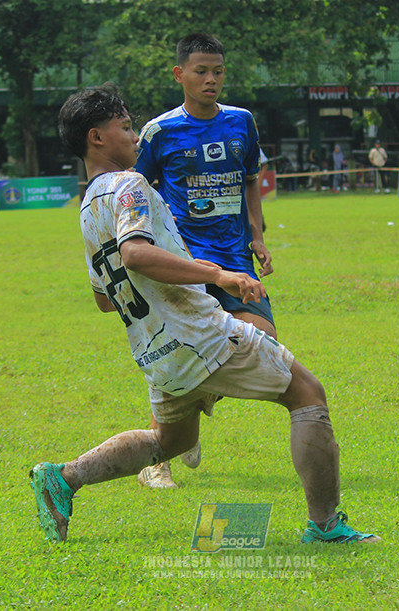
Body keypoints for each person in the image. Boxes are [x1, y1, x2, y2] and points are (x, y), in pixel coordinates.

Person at [29, 83, 379, 546]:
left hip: (156, 350)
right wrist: (219, 275)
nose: (136, 137)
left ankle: (64, 478)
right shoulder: (130, 184)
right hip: (202, 333)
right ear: (97, 138)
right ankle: (326, 526)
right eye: (126, 127)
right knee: (307, 394)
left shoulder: (88, 207)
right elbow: (135, 254)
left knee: (167, 444)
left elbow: (102, 297)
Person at [133, 33, 276, 488]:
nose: (211, 79)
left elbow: (252, 178)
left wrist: (256, 235)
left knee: (264, 339)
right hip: (182, 261)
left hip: (234, 255)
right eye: (201, 71)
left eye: (218, 71)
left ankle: (188, 416)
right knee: (177, 353)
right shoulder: (159, 132)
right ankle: (158, 460)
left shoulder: (242, 122)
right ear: (180, 75)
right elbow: (135, 193)